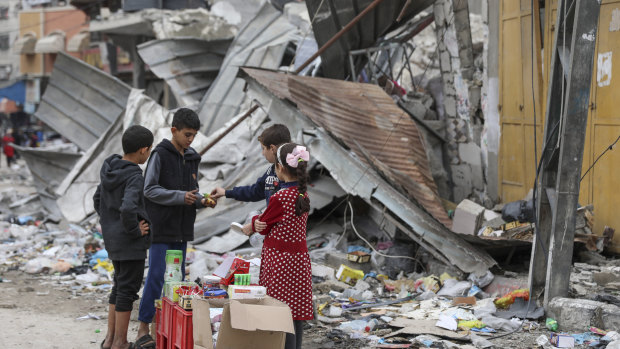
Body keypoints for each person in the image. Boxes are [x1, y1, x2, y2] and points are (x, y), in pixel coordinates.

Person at [136, 108, 215, 348]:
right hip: (161, 227)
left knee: (177, 280)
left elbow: (192, 190)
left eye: (194, 136)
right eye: (187, 134)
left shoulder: (192, 157)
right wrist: (181, 197)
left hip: (182, 229)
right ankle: (143, 327)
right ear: (174, 130)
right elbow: (149, 190)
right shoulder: (160, 154)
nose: (191, 140)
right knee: (158, 275)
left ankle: (169, 328)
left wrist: (202, 200)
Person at [246, 143, 314, 349]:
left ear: (280, 168)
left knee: (280, 313)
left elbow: (264, 225)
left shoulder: (280, 197)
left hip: (280, 263)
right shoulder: (303, 195)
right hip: (299, 262)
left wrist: (251, 225)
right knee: (295, 314)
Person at [93, 125, 154, 349]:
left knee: (119, 287)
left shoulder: (110, 168)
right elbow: (129, 208)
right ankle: (120, 342)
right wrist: (134, 230)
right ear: (143, 150)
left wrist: (110, 224)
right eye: (149, 152)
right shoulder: (134, 175)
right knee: (127, 290)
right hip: (130, 243)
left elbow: (97, 198)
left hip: (113, 240)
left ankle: (109, 340)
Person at [210, 124, 291, 234]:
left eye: (263, 149)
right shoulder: (271, 172)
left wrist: (254, 225)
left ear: (272, 148)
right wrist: (226, 192)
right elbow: (255, 191)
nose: (262, 153)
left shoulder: (290, 177)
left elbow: (281, 208)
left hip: (285, 235)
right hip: (272, 234)